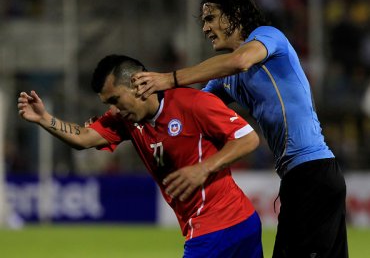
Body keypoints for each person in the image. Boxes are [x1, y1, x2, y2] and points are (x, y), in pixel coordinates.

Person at [132, 0, 348, 258]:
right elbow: (193, 108)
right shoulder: (226, 77)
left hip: (313, 173)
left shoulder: (268, 37)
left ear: (234, 13)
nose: (205, 28)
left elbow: (242, 60)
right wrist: (136, 111)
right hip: (301, 177)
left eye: (210, 17)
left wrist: (169, 78)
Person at [18, 54, 263, 258]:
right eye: (107, 104)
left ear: (137, 84)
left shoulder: (193, 103)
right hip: (223, 225)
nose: (113, 110)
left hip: (219, 226)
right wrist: (43, 118)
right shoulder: (124, 121)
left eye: (115, 99)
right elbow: (83, 137)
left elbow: (248, 138)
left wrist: (204, 168)